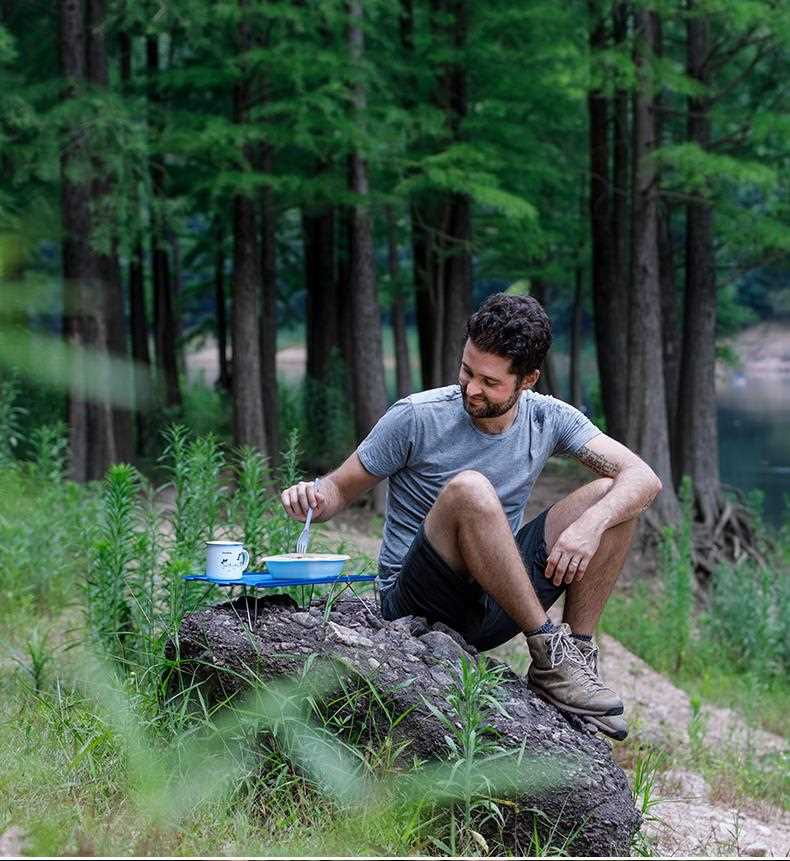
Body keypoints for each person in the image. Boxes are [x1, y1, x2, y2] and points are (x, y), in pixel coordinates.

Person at [280, 292, 662, 739]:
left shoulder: (548, 418)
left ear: (527, 380)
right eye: (466, 371)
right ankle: (548, 649)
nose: (471, 388)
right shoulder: (417, 417)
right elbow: (338, 490)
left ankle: (570, 661)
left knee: (612, 498)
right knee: (471, 489)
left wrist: (589, 527)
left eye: (490, 381)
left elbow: (644, 478)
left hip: (495, 601)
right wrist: (312, 496)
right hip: (414, 600)